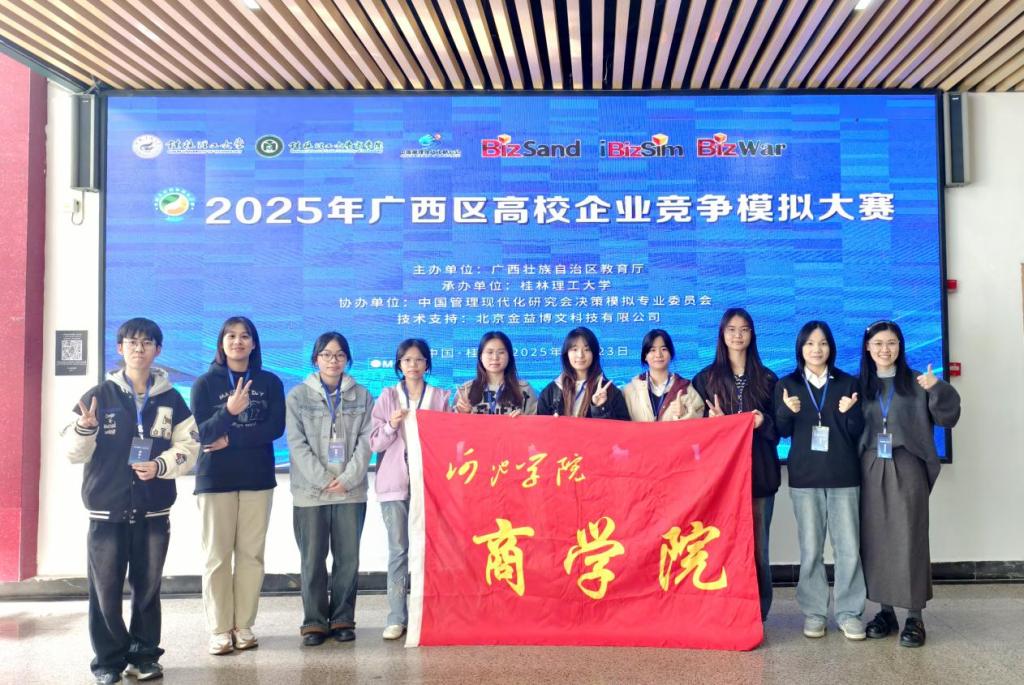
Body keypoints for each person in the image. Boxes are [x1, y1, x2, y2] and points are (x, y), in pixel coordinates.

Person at [61, 318, 200, 684]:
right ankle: (108, 662)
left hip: (153, 509)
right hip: (107, 510)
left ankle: (144, 656)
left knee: (148, 590)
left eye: (147, 342)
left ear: (158, 350)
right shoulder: (99, 395)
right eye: (132, 342)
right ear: (120, 348)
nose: (139, 348)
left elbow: (190, 447)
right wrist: (85, 428)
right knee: (104, 592)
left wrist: (160, 465)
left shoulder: (171, 398)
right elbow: (73, 452)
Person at [857, 320, 961, 648]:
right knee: (876, 540)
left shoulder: (917, 382)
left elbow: (948, 417)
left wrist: (937, 387)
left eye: (891, 343)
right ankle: (885, 611)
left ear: (900, 346)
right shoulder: (860, 385)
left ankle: (915, 617)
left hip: (907, 464)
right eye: (878, 344)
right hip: (870, 467)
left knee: (909, 539)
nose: (885, 349)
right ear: (868, 348)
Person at [190, 316, 286, 655]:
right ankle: (219, 629)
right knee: (216, 557)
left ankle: (243, 625)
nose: (238, 341)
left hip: (257, 477)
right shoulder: (204, 383)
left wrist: (230, 439)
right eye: (230, 336)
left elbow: (274, 428)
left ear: (254, 343)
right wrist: (229, 411)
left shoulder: (269, 382)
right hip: (215, 479)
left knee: (251, 556)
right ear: (221, 343)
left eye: (245, 336)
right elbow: (201, 433)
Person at [775, 320, 867, 641]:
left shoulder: (848, 383)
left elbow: (858, 432)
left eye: (823, 343)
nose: (817, 349)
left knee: (848, 549)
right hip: (805, 478)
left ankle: (849, 613)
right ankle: (814, 613)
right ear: (800, 348)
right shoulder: (787, 384)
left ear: (831, 347)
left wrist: (850, 412)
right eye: (810, 343)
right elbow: (781, 431)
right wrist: (786, 411)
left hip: (844, 476)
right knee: (811, 549)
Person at [691, 309, 780, 621]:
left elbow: (780, 430)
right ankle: (724, 608)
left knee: (758, 548)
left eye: (744, 329)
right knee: (719, 544)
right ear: (722, 334)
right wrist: (713, 424)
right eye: (731, 329)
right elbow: (693, 435)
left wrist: (762, 421)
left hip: (759, 476)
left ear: (752, 334)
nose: (738, 335)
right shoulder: (705, 379)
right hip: (719, 479)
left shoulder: (768, 379)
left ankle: (759, 612)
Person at [286, 332, 374, 646]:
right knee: (312, 560)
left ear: (347, 359)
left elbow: (367, 442)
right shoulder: (298, 396)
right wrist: (323, 479)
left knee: (348, 559)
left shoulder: (362, 396)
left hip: (351, 491)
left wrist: (347, 479)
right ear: (316, 359)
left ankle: (342, 619)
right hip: (310, 493)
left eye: (339, 355)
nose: (333, 360)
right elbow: (296, 443)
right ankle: (313, 622)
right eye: (326, 354)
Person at [370, 339, 451, 641]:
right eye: (407, 360)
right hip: (394, 486)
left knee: (432, 550)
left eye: (418, 360)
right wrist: (391, 425)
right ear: (399, 364)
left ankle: (429, 614)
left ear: (427, 364)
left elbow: (450, 442)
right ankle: (396, 617)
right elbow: (375, 443)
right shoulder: (388, 397)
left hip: (430, 485)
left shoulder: (440, 397)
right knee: (398, 550)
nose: (413, 365)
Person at [536, 327, 629, 420]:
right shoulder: (551, 392)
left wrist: (600, 408)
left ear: (594, 353)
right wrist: (553, 423)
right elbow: (539, 426)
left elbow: (622, 427)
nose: (580, 355)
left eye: (587, 349)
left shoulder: (610, 392)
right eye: (574, 349)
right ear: (566, 353)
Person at [622, 328, 704, 422]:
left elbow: (701, 423)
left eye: (664, 349)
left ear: (671, 354)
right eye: (652, 350)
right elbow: (618, 423)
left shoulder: (686, 389)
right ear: (645, 356)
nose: (658, 355)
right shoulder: (630, 391)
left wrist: (684, 414)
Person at [453, 331, 538, 415]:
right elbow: (450, 422)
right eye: (490, 352)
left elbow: (538, 422)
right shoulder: (466, 391)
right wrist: (463, 414)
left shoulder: (524, 389)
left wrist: (524, 419)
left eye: (501, 352)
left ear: (509, 356)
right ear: (480, 357)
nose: (495, 357)